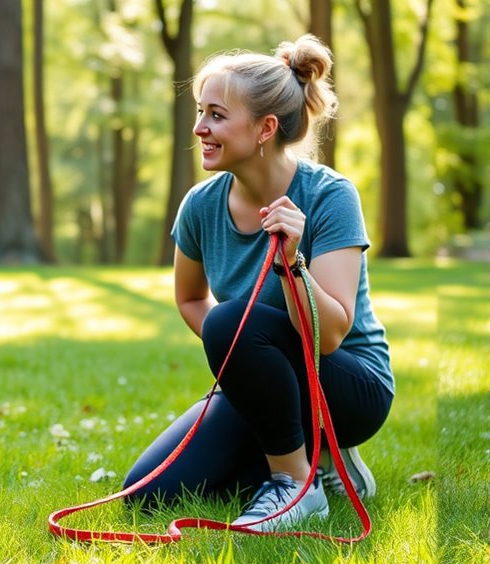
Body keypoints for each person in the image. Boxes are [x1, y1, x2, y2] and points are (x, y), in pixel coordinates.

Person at [122, 34, 394, 531]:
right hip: (263, 373)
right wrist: (241, 360)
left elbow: (330, 335)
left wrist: (294, 260)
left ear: (266, 127)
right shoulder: (201, 206)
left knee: (231, 319)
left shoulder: (330, 196)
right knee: (147, 494)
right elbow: (188, 297)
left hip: (347, 384)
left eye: (217, 115)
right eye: (200, 111)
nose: (200, 127)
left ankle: (298, 483)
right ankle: (307, 453)